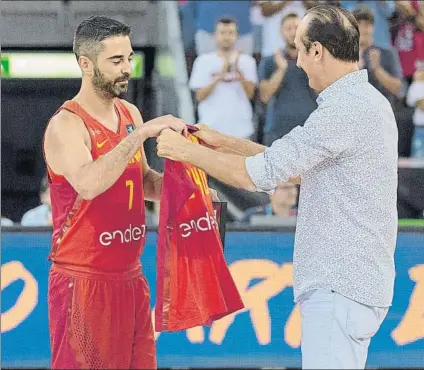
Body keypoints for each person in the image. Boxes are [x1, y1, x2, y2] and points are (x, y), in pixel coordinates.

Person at [157, 5, 398, 369]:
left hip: (340, 285)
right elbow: (291, 165)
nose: (298, 62)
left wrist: (184, 151)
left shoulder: (343, 111)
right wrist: (219, 141)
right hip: (351, 284)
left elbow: (260, 175)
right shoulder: (365, 103)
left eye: (301, 49)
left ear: (317, 51)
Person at [43, 16, 187, 369]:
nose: (127, 68)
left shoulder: (129, 112)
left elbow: (143, 180)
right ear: (86, 64)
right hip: (83, 281)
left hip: (130, 277)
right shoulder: (66, 124)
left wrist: (190, 191)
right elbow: (90, 184)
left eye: (129, 57)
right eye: (116, 61)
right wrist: (138, 136)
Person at [189, 17, 258, 139]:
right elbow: (200, 96)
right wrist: (220, 75)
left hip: (241, 130)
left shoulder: (247, 61)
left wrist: (237, 70)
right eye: (222, 33)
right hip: (211, 128)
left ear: (237, 36)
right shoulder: (203, 61)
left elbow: (250, 94)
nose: (226, 37)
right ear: (215, 35)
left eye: (231, 33)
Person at [259, 12, 317, 146]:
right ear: (281, 32)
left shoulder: (316, 60)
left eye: (297, 28)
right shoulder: (269, 61)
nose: (293, 32)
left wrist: (309, 63)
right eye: (288, 28)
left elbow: (322, 93)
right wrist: (281, 69)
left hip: (310, 131)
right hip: (277, 132)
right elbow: (264, 96)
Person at [353, 7, 404, 106]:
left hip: (383, 112)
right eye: (359, 24)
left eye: (367, 24)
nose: (363, 29)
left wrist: (377, 69)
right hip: (355, 113)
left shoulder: (387, 53)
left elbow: (398, 89)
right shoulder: (345, 56)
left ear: (373, 27)